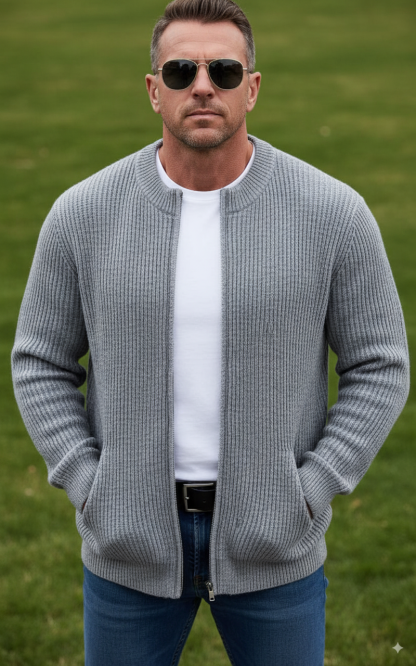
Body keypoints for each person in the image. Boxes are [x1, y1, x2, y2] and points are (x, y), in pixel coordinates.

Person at [11, 0, 410, 664]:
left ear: (252, 87)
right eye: (181, 72)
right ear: (153, 90)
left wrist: (313, 488)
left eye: (223, 71)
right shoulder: (83, 214)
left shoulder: (332, 213)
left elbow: (380, 364)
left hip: (276, 549)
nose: (202, 86)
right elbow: (39, 361)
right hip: (127, 548)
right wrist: (88, 483)